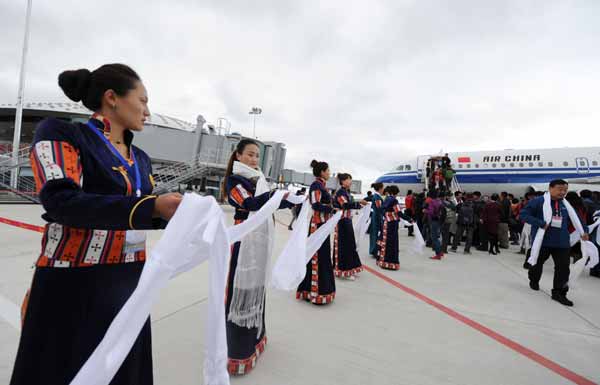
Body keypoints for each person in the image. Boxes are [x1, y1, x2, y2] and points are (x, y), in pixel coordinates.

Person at [11, 64, 183, 385]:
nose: (148, 110)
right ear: (112, 98)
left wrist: (179, 216)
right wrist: (152, 207)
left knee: (122, 371)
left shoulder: (141, 158)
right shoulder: (63, 133)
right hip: (74, 280)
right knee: (65, 368)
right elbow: (62, 202)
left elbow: (144, 211)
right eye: (143, 100)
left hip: (129, 280)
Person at [223, 139, 293, 375]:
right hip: (244, 241)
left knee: (257, 288)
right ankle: (237, 350)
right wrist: (276, 196)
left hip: (258, 241)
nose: (254, 160)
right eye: (250, 155)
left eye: (257, 156)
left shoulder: (258, 180)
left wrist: (284, 199)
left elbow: (266, 204)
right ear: (238, 156)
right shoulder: (235, 181)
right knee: (240, 290)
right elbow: (249, 203)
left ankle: (255, 337)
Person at [520, 180, 590, 307]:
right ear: (550, 188)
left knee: (563, 269)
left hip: (562, 242)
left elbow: (578, 220)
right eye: (559, 189)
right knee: (536, 264)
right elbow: (523, 215)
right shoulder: (538, 201)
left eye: (565, 190)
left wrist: (584, 231)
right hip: (543, 241)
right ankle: (534, 279)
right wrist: (540, 223)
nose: (562, 192)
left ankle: (559, 293)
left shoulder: (566, 205)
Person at [297, 160, 336, 305]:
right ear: (322, 172)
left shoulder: (322, 185)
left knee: (322, 255)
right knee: (317, 257)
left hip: (323, 224)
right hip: (317, 225)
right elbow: (316, 204)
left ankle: (316, 290)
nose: (329, 172)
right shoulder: (316, 185)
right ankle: (314, 292)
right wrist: (332, 209)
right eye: (328, 170)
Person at [333, 173, 367, 279]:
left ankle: (350, 268)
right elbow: (345, 205)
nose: (350, 181)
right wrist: (358, 204)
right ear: (342, 181)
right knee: (343, 246)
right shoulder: (340, 192)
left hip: (347, 220)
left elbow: (349, 204)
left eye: (350, 179)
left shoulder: (346, 192)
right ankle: (343, 270)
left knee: (350, 245)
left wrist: (358, 205)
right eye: (348, 179)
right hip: (342, 222)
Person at [377, 185, 413, 270]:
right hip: (392, 224)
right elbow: (399, 213)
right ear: (395, 192)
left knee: (385, 242)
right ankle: (390, 263)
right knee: (392, 243)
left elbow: (382, 210)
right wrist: (409, 219)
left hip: (386, 222)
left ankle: (382, 261)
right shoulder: (394, 200)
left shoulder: (386, 199)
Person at [424, 190, 444, 260]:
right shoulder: (439, 201)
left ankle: (438, 254)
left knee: (434, 237)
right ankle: (440, 251)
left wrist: (425, 211)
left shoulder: (432, 202)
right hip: (439, 220)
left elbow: (431, 212)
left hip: (433, 220)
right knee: (437, 237)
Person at [369, 183, 385, 258]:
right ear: (380, 188)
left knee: (374, 233)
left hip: (375, 216)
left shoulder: (376, 196)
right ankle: (375, 250)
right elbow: (379, 208)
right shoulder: (377, 197)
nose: (383, 189)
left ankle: (373, 249)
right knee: (376, 233)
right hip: (377, 216)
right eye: (383, 188)